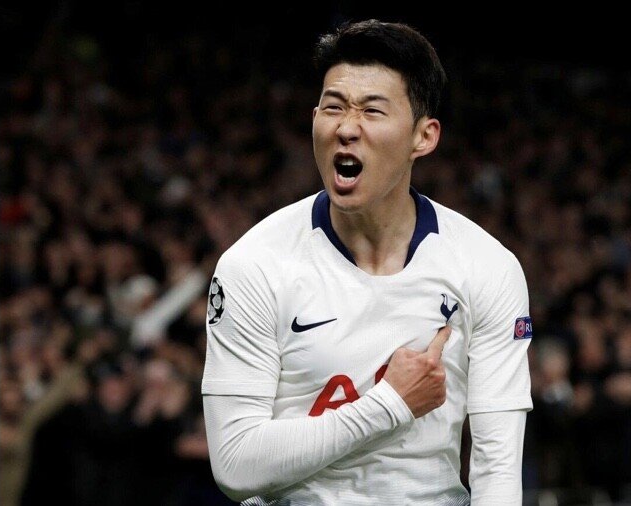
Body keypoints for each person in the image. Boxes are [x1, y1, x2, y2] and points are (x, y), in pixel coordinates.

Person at [202, 19, 533, 505]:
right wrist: (389, 403)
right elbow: (235, 463)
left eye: (372, 111)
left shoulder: (487, 268)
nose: (346, 128)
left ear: (424, 136)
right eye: (333, 107)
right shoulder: (253, 266)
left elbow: (497, 472)